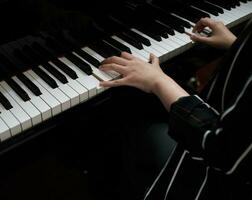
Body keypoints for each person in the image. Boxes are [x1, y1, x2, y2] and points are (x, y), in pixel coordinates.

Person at [99, 17, 252, 200]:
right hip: (219, 123)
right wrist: (238, 46)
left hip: (215, 183)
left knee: (132, 117)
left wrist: (158, 81)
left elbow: (223, 150)